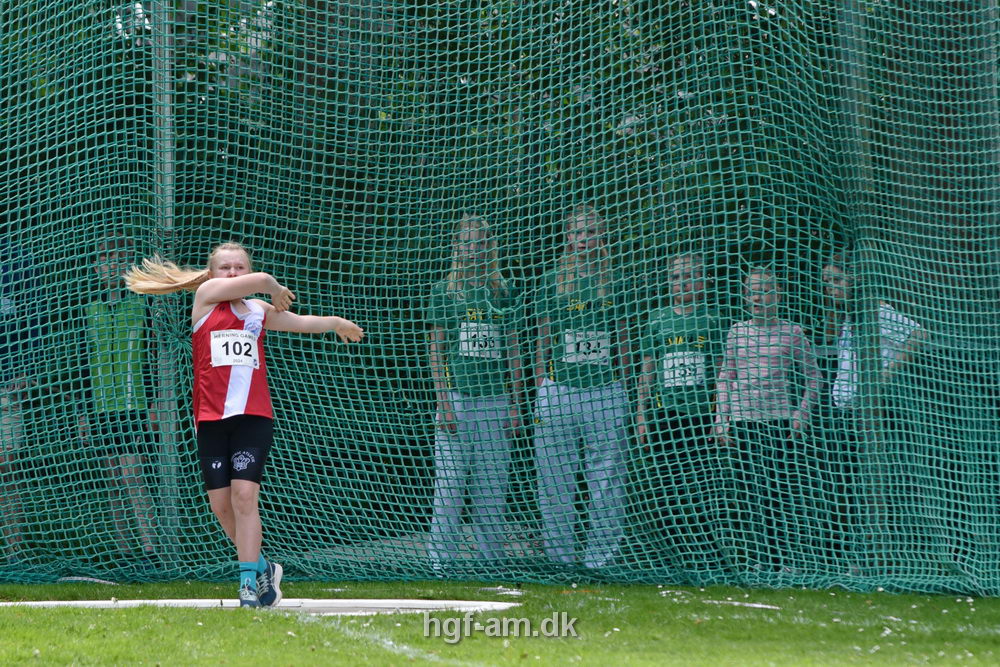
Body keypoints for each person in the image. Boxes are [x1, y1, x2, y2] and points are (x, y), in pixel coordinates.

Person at [125, 242, 364, 607]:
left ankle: (248, 584)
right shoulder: (206, 297)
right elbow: (265, 280)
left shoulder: (257, 310)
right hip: (211, 419)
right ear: (212, 274)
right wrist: (273, 286)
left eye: (240, 267)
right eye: (226, 267)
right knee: (221, 507)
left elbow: (300, 322)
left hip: (253, 417)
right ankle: (265, 566)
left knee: (244, 497)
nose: (234, 273)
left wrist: (334, 323)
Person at [532, 205, 630, 571]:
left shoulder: (616, 280)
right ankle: (560, 559)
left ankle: (599, 562)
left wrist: (623, 386)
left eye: (591, 232)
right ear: (568, 238)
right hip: (559, 390)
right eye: (577, 232)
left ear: (602, 236)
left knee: (606, 484)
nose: (584, 239)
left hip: (605, 390)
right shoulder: (552, 279)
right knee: (554, 482)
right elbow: (543, 338)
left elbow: (623, 339)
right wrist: (541, 385)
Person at [426, 214, 523, 572]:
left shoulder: (503, 291)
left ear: (490, 246)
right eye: (467, 242)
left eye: (480, 242)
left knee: (492, 488)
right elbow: (436, 351)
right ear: (457, 247)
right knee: (450, 486)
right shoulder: (444, 290)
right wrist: (444, 403)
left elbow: (514, 349)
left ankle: (490, 561)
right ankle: (441, 563)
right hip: (456, 400)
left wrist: (515, 403)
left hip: (496, 401)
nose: (474, 249)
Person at [821, 252, 926, 571]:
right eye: (826, 282)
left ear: (855, 279)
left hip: (873, 414)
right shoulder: (849, 317)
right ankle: (856, 555)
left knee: (878, 486)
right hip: (845, 413)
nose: (831, 288)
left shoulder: (876, 311)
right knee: (848, 486)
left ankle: (884, 556)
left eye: (837, 280)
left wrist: (885, 374)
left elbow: (918, 334)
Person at [714, 266, 820, 573]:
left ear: (778, 295)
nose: (757, 298)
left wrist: (801, 414)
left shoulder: (793, 332)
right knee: (749, 492)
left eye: (764, 291)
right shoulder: (737, 332)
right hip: (744, 422)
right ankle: (758, 558)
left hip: (778, 422)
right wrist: (722, 419)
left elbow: (814, 377)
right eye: (751, 292)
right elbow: (726, 377)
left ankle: (784, 559)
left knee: (778, 492)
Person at [634, 251, 729, 575]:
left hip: (701, 417)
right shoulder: (657, 319)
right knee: (665, 492)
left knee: (701, 492)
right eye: (676, 277)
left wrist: (721, 416)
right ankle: (670, 559)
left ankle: (708, 559)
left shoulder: (713, 319)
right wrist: (642, 414)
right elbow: (647, 370)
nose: (682, 283)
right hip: (665, 417)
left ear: (704, 281)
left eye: (690, 276)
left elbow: (722, 372)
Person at [78, 240, 160, 567]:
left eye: (119, 258)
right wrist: (83, 413)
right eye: (105, 258)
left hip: (135, 405)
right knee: (113, 481)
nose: (111, 265)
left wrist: (156, 402)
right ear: (96, 266)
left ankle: (151, 550)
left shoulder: (144, 304)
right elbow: (82, 365)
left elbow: (156, 357)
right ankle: (123, 553)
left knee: (133, 475)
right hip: (100, 408)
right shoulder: (89, 308)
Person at [0, 236, 44, 566]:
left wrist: (28, 371)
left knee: (7, 467)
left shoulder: (18, 261)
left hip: (7, 386)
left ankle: (13, 553)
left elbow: (36, 321)